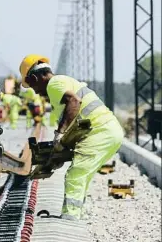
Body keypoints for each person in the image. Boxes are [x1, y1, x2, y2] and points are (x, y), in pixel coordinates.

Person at [19, 54, 124, 220]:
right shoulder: (62, 83)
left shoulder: (54, 84)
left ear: (34, 78)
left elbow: (74, 102)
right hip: (108, 131)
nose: (36, 92)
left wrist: (59, 134)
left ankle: (70, 217)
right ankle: (74, 214)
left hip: (100, 131)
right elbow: (74, 117)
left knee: (76, 173)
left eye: (32, 86)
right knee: (82, 175)